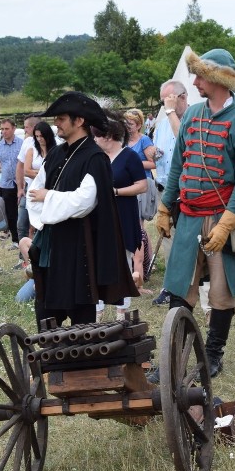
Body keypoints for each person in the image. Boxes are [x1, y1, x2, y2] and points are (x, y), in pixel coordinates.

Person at [155, 48, 235, 378]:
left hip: (220, 216)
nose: (196, 82)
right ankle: (174, 358)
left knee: (220, 292)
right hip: (188, 215)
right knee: (179, 289)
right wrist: (164, 207)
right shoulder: (192, 115)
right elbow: (178, 166)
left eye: (200, 76)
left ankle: (213, 355)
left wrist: (228, 223)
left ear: (218, 80)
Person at [26, 91, 138, 327]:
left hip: (79, 247)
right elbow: (33, 194)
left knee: (81, 318)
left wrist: (50, 197)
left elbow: (84, 202)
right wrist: (47, 207)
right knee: (46, 314)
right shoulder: (57, 153)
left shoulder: (95, 157)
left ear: (79, 121)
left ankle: (87, 363)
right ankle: (53, 359)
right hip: (51, 243)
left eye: (62, 118)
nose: (56, 123)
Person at [93, 109, 147, 322]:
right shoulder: (98, 158)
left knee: (123, 263)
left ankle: (121, 312)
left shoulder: (129, 156)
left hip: (123, 214)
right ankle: (97, 312)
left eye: (97, 136)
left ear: (107, 136)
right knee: (98, 263)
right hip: (100, 216)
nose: (94, 139)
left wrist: (116, 192)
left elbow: (142, 185)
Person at [151, 79, 190, 307]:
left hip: (186, 191)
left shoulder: (192, 117)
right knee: (168, 240)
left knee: (186, 241)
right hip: (165, 187)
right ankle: (170, 286)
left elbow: (184, 141)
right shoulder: (164, 121)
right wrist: (153, 153)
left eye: (168, 100)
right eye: (163, 101)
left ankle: (187, 286)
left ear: (182, 97)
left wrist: (170, 112)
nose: (164, 105)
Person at [0, 119, 23, 248]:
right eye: (2, 129)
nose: (4, 132)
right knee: (10, 213)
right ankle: (15, 240)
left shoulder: (22, 144)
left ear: (14, 129)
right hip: (6, 184)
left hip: (22, 182)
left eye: (6, 129)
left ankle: (27, 237)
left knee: (25, 211)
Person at [15, 115, 40, 245]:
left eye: (26, 127)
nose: (24, 130)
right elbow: (20, 166)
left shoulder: (52, 142)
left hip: (41, 191)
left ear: (34, 127)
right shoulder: (27, 142)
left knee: (35, 225)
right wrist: (20, 188)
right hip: (27, 188)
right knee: (21, 224)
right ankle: (23, 256)